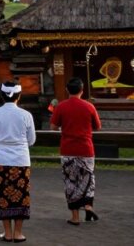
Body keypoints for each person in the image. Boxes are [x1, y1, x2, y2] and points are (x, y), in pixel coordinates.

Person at [0, 81, 36, 242]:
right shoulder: (26, 115)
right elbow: (31, 140)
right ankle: (18, 233)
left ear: (1, 96)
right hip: (21, 159)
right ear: (19, 96)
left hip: (1, 158)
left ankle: (7, 232)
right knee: (21, 195)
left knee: (2, 195)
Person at [50, 77, 102, 225]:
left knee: (71, 182)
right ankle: (88, 205)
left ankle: (75, 217)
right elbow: (98, 127)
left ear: (67, 90)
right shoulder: (89, 107)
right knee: (88, 179)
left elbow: (53, 127)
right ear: (82, 90)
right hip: (86, 149)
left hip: (68, 149)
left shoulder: (61, 106)